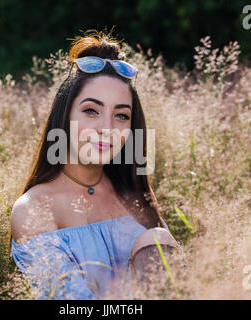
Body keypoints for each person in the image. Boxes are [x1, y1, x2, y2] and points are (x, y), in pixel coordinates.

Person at [9, 29, 179, 300]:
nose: (107, 129)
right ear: (64, 117)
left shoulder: (132, 192)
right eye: (91, 111)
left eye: (121, 116)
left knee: (154, 239)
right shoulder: (34, 209)